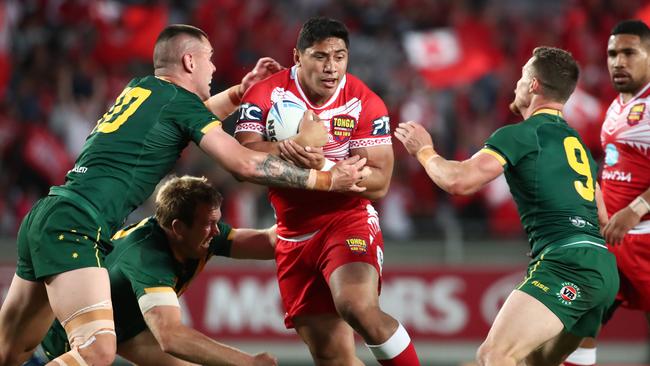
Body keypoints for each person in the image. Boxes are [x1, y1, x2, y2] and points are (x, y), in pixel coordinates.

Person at [0, 24, 370, 366]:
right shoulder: (178, 104)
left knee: (10, 351)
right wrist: (325, 181)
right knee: (96, 349)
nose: (213, 69)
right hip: (78, 223)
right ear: (189, 61)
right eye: (209, 60)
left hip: (49, 213)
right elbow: (242, 164)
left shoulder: (142, 89)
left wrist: (241, 93)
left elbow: (188, 122)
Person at [395, 46, 618, 366]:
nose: (516, 83)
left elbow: (459, 181)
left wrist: (424, 151)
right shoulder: (577, 145)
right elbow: (602, 216)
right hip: (601, 268)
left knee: (493, 355)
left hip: (567, 265)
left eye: (522, 75)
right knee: (531, 362)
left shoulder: (522, 134)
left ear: (534, 85)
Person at [235, 17, 420, 366]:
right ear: (298, 57)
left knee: (357, 306)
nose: (331, 67)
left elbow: (380, 183)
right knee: (331, 355)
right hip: (293, 233)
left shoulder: (364, 102)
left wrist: (324, 170)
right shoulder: (265, 93)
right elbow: (242, 161)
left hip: (345, 219)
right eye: (320, 56)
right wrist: (297, 148)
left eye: (339, 56)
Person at [35, 175, 278, 366]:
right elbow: (170, 336)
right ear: (178, 227)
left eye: (217, 221)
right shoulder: (148, 258)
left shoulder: (194, 234)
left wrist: (308, 222)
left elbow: (268, 242)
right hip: (72, 342)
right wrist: (249, 362)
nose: (217, 232)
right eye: (209, 224)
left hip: (123, 326)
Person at [565, 20, 650, 366]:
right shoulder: (616, 106)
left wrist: (636, 208)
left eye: (629, 53)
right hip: (611, 243)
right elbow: (612, 173)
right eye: (613, 53)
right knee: (578, 325)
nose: (618, 61)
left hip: (644, 241)